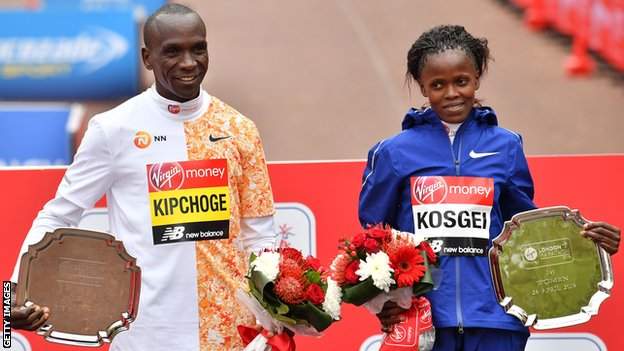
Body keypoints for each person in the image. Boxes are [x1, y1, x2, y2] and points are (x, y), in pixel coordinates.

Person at [9, 3, 277, 350]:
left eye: (198, 48)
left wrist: (274, 317)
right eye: (173, 52)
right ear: (147, 58)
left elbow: (261, 236)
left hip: (230, 331)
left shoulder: (239, 129)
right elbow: (59, 214)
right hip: (145, 334)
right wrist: (12, 295)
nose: (189, 63)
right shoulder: (113, 129)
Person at [358, 25, 620, 351]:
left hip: (496, 321)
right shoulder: (394, 153)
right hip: (423, 323)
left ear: (476, 78)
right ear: (423, 87)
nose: (452, 93)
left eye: (461, 81)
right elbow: (373, 233)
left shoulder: (506, 146)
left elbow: (527, 230)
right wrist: (386, 300)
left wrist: (589, 246)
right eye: (438, 85)